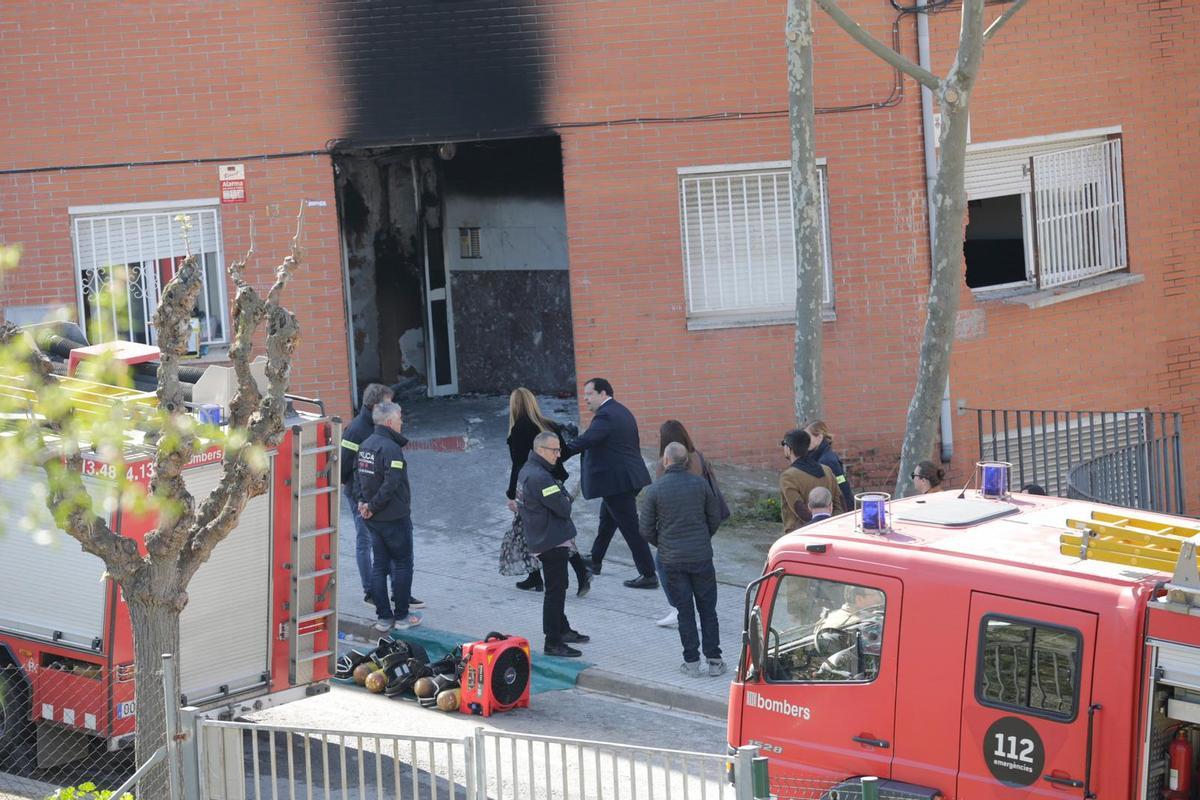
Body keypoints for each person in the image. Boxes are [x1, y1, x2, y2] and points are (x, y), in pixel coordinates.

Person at [561, 378, 657, 589]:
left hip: (618, 483)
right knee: (607, 521)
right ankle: (595, 560)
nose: (585, 398)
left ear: (602, 393)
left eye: (589, 393)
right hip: (624, 479)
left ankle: (649, 573)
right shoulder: (619, 411)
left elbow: (587, 440)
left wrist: (560, 453)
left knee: (630, 527)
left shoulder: (606, 415)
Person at [639, 442, 724, 677]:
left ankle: (692, 662)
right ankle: (715, 661)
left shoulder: (655, 489)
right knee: (708, 609)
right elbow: (714, 517)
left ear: (666, 461)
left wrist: (663, 543)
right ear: (686, 461)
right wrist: (703, 537)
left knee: (684, 611)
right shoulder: (700, 484)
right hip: (701, 557)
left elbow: (645, 528)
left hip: (672, 560)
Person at [341, 385, 426, 612]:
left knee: (383, 554)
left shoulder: (380, 433)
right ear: (376, 406)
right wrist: (362, 500)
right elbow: (347, 465)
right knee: (367, 543)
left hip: (373, 501)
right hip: (367, 499)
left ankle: (398, 594)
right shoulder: (357, 430)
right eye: (388, 403)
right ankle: (371, 592)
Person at [504, 388, 591, 596]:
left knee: (529, 530)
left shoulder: (519, 429)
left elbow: (518, 464)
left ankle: (557, 575)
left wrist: (511, 493)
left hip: (531, 484)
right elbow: (564, 452)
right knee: (555, 529)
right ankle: (543, 576)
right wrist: (553, 469)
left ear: (514, 405)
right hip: (553, 482)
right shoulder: (548, 424)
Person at [518, 431, 591, 658]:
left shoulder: (529, 470)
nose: (558, 455)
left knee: (558, 588)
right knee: (555, 592)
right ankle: (553, 641)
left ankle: (563, 629)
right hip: (550, 540)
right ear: (541, 450)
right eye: (555, 450)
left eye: (559, 449)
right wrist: (563, 494)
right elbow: (564, 507)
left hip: (545, 536)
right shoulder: (540, 477)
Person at [652, 420, 729, 628]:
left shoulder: (664, 464)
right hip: (699, 523)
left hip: (675, 526)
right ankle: (693, 612)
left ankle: (678, 608)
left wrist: (659, 537)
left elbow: (659, 498)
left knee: (663, 564)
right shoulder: (698, 456)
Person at [354, 401, 422, 632]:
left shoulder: (365, 445)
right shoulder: (390, 448)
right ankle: (402, 616)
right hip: (393, 518)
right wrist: (370, 505)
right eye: (400, 418)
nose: (402, 422)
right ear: (390, 421)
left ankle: (384, 618)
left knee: (379, 566)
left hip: (373, 520)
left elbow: (359, 478)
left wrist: (364, 503)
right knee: (402, 564)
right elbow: (391, 484)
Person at [779, 429, 844, 532]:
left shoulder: (788, 476)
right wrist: (830, 526)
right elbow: (839, 503)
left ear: (788, 448)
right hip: (831, 531)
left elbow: (799, 508)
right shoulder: (827, 470)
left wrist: (815, 527)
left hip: (800, 535)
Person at [804, 420, 854, 513]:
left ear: (819, 437)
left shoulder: (827, 461)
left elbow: (842, 486)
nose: (805, 441)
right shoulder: (819, 456)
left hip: (835, 512)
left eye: (808, 437)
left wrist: (846, 512)